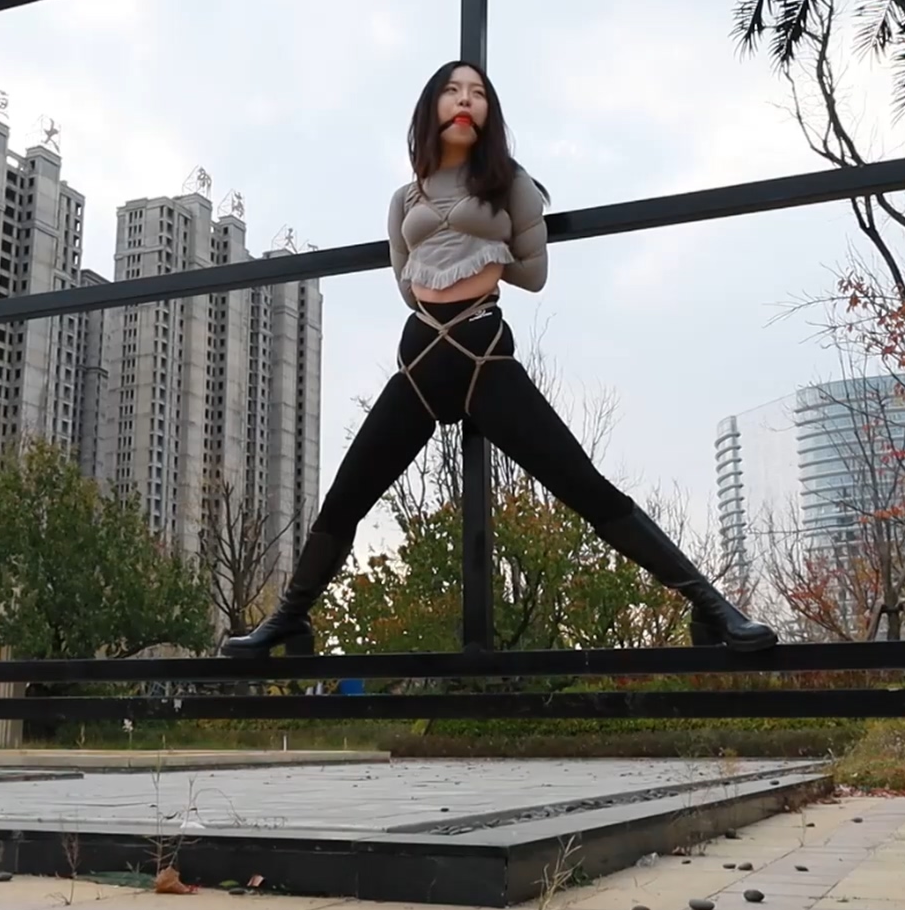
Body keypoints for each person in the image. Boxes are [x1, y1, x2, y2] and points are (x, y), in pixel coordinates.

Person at [220, 60, 777, 658]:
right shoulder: (404, 197)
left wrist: (488, 251)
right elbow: (407, 284)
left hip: (483, 354)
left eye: (477, 93)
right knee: (345, 496)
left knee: (583, 484)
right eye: (452, 91)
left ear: (489, 113)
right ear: (431, 108)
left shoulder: (509, 184)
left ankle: (710, 605)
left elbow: (533, 275)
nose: (465, 101)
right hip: (420, 360)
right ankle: (289, 619)